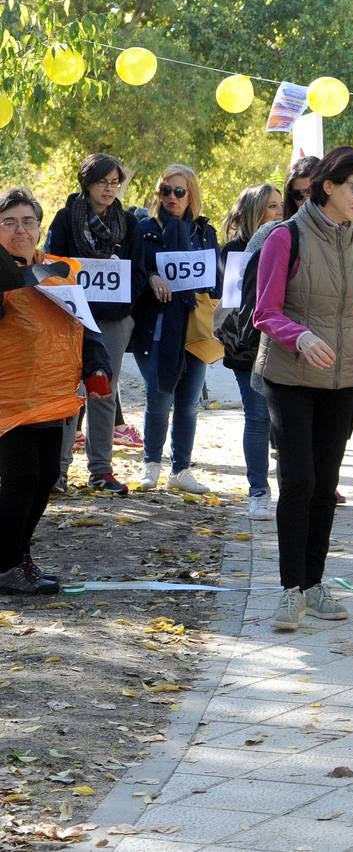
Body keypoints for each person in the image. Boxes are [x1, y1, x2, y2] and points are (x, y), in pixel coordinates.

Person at [253, 147, 353, 631]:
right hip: (290, 378)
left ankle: (314, 585)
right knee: (298, 482)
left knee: (326, 485)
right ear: (328, 185)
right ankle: (289, 590)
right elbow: (265, 312)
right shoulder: (284, 237)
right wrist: (301, 336)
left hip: (342, 381)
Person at [1, 188, 112, 594]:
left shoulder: (57, 271)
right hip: (7, 401)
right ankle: (7, 564)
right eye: (9, 222)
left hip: (52, 396)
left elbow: (83, 325)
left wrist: (96, 367)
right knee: (21, 479)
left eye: (27, 221)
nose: (19, 230)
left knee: (47, 475)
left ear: (39, 227)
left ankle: (16, 557)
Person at [45, 153, 145, 495]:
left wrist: (124, 305)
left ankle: (101, 470)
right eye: (104, 182)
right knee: (70, 390)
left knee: (104, 390)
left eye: (116, 182)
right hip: (72, 317)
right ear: (88, 183)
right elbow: (51, 265)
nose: (110, 188)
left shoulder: (129, 223)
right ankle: (56, 471)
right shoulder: (65, 218)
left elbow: (139, 271)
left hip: (114, 320)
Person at [133, 164, 220, 494]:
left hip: (195, 325)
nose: (171, 196)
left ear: (191, 194)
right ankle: (151, 465)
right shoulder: (143, 229)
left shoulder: (204, 232)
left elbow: (217, 278)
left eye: (178, 191)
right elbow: (134, 271)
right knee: (159, 396)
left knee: (188, 402)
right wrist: (152, 279)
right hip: (155, 327)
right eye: (165, 190)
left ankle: (181, 469)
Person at [219, 183, 283, 520]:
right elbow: (228, 303)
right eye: (270, 206)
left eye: (279, 206)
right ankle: (258, 489)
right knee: (257, 418)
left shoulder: (289, 242)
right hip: (247, 347)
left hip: (284, 344)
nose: (277, 213)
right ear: (253, 211)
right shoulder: (234, 250)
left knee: (282, 422)